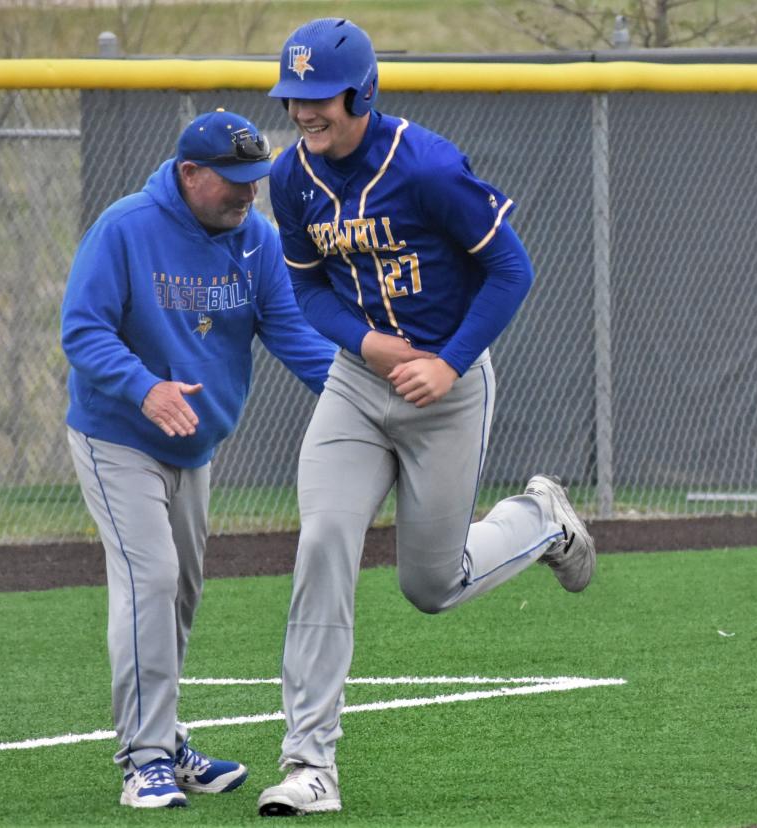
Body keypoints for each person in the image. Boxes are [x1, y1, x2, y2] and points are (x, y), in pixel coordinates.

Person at [255, 18, 597, 816]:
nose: (304, 111)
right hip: (357, 386)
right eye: (292, 95)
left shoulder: (429, 167)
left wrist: (446, 362)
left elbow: (512, 270)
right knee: (324, 541)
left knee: (431, 585)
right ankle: (309, 764)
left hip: (447, 390)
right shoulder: (290, 178)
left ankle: (540, 518)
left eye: (319, 97)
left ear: (361, 92)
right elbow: (306, 291)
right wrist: (368, 343)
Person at [61, 108, 335, 810]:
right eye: (234, 182)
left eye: (255, 181)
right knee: (149, 578)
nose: (249, 194)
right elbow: (82, 332)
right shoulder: (125, 229)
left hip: (195, 444)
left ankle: (165, 736)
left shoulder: (258, 240)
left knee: (179, 592)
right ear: (189, 174)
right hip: (118, 435)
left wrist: (365, 397)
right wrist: (145, 388)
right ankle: (144, 758)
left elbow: (294, 338)